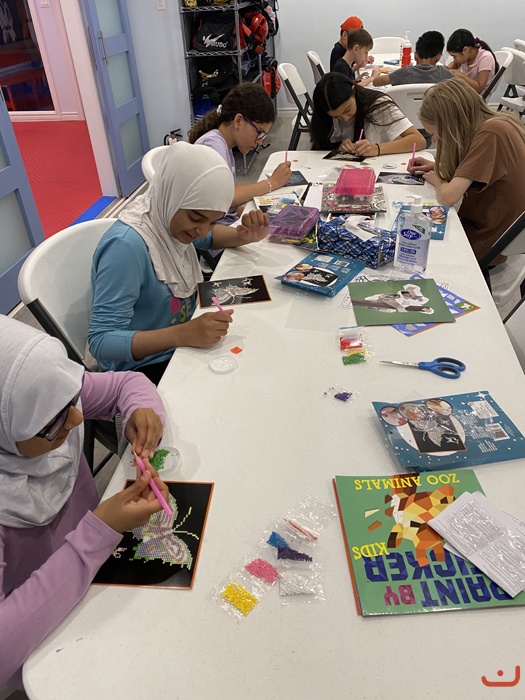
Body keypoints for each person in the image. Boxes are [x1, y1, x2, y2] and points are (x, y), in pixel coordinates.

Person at [0, 315, 169, 690]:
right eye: (50, 421)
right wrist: (99, 531)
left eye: (71, 400)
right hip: (46, 645)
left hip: (99, 575)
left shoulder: (35, 400)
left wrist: (140, 413)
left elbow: (126, 383)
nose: (77, 418)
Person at [89, 141, 269, 385]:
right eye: (196, 218)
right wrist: (182, 334)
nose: (202, 229)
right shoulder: (126, 247)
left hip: (181, 342)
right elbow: (101, 341)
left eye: (213, 220)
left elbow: (207, 237)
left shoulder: (169, 218)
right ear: (172, 197)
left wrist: (244, 236)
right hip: (141, 368)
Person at [407, 79, 525, 264]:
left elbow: (448, 197)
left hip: (488, 243)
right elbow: (475, 169)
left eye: (436, 134)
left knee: (411, 245)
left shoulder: (491, 133)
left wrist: (438, 179)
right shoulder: (499, 123)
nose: (435, 141)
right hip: (497, 234)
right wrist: (435, 166)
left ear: (451, 125)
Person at [188, 83, 291, 225]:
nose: (260, 141)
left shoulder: (224, 144)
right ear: (238, 121)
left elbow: (230, 208)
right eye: (259, 132)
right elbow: (227, 198)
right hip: (212, 232)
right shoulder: (213, 146)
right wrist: (272, 182)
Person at [310, 72, 426, 156]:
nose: (345, 119)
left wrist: (377, 148)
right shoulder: (323, 114)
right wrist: (338, 146)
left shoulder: (379, 105)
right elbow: (320, 146)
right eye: (336, 117)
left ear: (354, 91)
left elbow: (419, 140)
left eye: (347, 110)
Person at [373, 31, 452, 87]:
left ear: (415, 55)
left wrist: (374, 76)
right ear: (439, 57)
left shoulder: (404, 72)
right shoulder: (445, 74)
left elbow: (376, 82)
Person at [445, 29, 497, 94]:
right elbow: (456, 63)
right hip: (468, 90)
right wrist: (447, 69)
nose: (454, 59)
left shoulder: (485, 58)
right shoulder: (466, 56)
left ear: (465, 50)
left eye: (454, 56)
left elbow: (479, 88)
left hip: (477, 95)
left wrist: (460, 75)